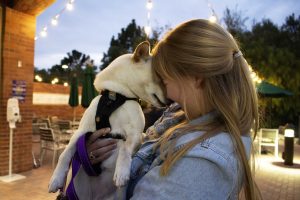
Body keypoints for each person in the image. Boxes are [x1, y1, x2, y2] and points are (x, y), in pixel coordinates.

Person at [86, 19, 262, 199]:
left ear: (196, 77)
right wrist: (97, 157)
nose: (164, 88)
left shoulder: (202, 163)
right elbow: (143, 150)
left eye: (163, 77)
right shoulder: (179, 115)